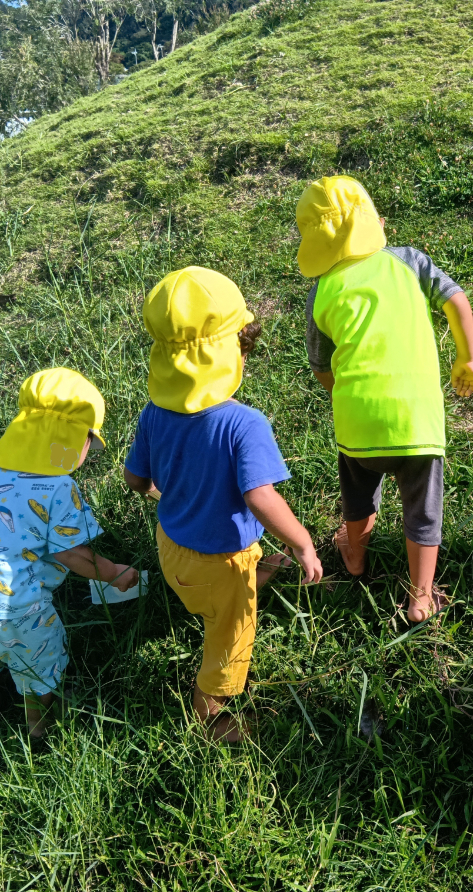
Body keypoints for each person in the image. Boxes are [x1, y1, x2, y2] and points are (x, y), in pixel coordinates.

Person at [124, 266, 323, 742]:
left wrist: (165, 493)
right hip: (221, 564)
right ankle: (211, 716)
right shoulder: (244, 424)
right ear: (232, 352)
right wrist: (302, 543)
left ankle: (251, 575)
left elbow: (136, 479)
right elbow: (260, 496)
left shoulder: (154, 411)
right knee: (230, 639)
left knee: (208, 599)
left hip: (172, 547)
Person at [296, 175, 473, 623]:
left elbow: (322, 366)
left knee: (357, 498)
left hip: (358, 423)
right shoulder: (408, 261)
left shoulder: (320, 290)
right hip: (417, 422)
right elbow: (456, 300)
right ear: (374, 222)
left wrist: (345, 398)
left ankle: (354, 557)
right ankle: (420, 597)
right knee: (423, 510)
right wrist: (468, 358)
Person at [0, 368, 138, 738]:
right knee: (38, 662)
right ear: (74, 440)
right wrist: (115, 573)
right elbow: (73, 555)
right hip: (15, 609)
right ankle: (37, 724)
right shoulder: (57, 486)